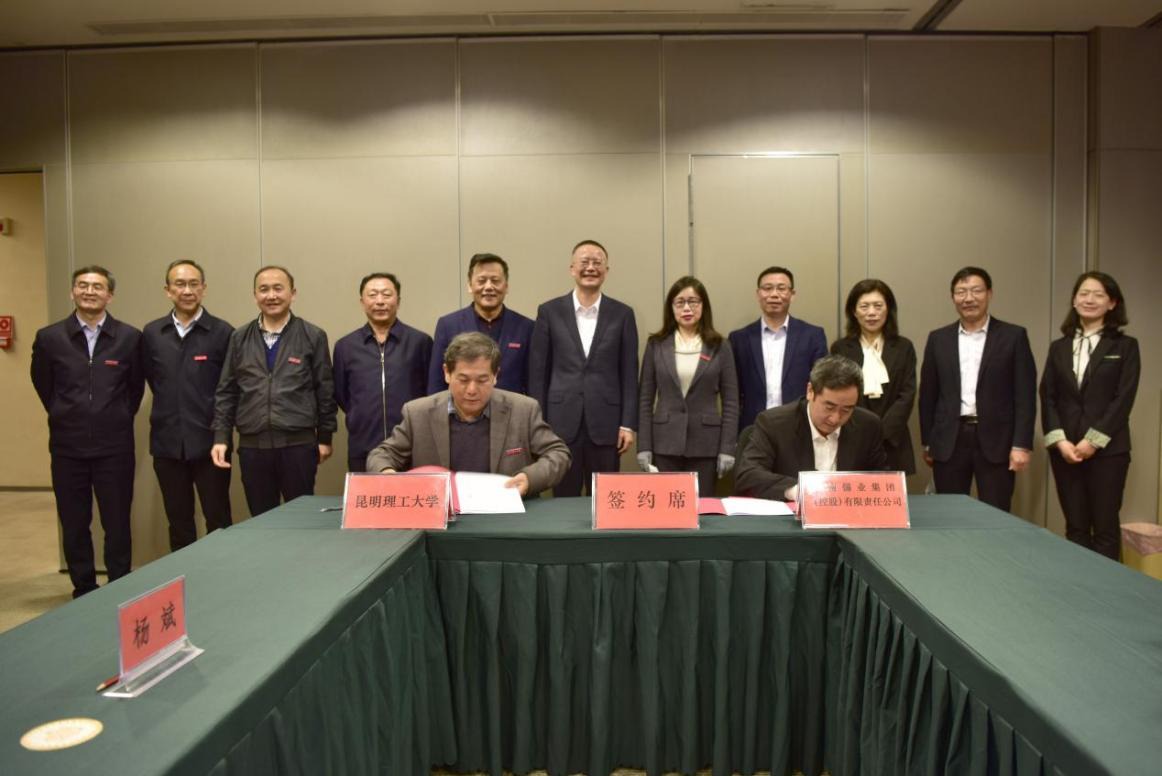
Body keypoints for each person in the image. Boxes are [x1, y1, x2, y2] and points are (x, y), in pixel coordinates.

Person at [30, 265, 144, 598]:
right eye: (83, 285)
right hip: (67, 447)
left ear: (110, 295)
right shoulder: (50, 338)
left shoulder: (129, 338)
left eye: (98, 286)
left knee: (117, 521)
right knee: (74, 521)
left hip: (115, 447)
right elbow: (43, 384)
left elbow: (135, 388)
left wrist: (116, 416)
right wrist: (63, 412)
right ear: (72, 292)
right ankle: (83, 587)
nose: (90, 291)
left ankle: (119, 583)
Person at [367, 332, 571, 496]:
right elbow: (380, 455)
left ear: (495, 376)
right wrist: (388, 475)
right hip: (442, 517)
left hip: (506, 516)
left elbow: (558, 454)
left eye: (482, 380)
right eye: (463, 380)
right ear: (447, 373)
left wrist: (529, 478)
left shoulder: (523, 409)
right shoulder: (418, 413)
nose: (472, 390)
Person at [211, 265, 336, 516]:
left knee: (301, 519)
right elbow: (227, 391)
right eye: (264, 289)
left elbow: (325, 389)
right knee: (261, 520)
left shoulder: (312, 335)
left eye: (278, 288)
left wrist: (325, 437)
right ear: (255, 295)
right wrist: (221, 437)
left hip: (298, 446)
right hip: (253, 447)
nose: (271, 295)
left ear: (293, 293)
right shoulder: (239, 338)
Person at [919, 266, 1037, 512]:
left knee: (996, 512)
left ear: (989, 294)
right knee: (950, 513)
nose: (969, 298)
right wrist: (928, 442)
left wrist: (1021, 445)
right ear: (953, 297)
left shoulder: (1013, 336)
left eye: (976, 290)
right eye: (961, 292)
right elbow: (928, 395)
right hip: (950, 440)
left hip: (997, 441)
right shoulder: (938, 339)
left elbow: (1025, 395)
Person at [1040, 271, 1139, 560]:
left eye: (1098, 294)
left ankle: (1106, 588)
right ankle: (1077, 585)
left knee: (1105, 527)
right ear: (1074, 300)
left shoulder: (1125, 346)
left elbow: (1123, 399)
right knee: (1076, 527)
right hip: (1065, 450)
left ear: (1112, 303)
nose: (1089, 300)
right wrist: (1060, 442)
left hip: (1108, 451)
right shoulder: (1059, 347)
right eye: (1083, 293)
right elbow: (1048, 396)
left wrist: (1092, 442)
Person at [528, 239, 638, 496]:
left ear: (606, 270)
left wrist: (628, 424)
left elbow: (629, 373)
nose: (590, 268)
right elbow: (538, 374)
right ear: (572, 269)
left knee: (608, 499)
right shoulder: (549, 311)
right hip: (560, 424)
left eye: (597, 263)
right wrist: (538, 425)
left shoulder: (622, 314)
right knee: (563, 500)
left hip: (607, 424)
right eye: (584, 262)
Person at [142, 259, 234, 551]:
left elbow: (229, 389)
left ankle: (222, 572)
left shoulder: (222, 332)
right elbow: (152, 380)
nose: (187, 290)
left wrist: (221, 436)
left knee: (218, 519)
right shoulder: (152, 333)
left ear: (203, 289)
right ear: (168, 290)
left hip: (211, 445)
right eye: (180, 284)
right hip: (167, 444)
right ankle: (186, 575)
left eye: (194, 284)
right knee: (179, 521)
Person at [636, 276, 740, 495]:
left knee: (701, 508)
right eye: (679, 302)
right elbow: (645, 399)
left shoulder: (720, 346)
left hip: (706, 445)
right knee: (666, 507)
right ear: (671, 307)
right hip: (664, 444)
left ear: (704, 306)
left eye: (693, 302)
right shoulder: (656, 345)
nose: (686, 308)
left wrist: (727, 448)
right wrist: (644, 446)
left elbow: (731, 402)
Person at [734, 355, 887, 500]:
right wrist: (797, 491)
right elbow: (748, 475)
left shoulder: (868, 426)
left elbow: (883, 482)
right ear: (810, 392)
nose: (835, 418)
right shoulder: (774, 424)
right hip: (790, 515)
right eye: (829, 407)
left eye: (846, 410)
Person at [333, 272, 432, 473]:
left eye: (386, 294)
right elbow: (342, 395)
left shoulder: (420, 342)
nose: (379, 301)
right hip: (363, 444)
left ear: (398, 301)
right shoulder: (345, 346)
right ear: (362, 302)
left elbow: (430, 393)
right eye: (372, 295)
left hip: (411, 446)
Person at [830, 279, 917, 474]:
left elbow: (907, 393)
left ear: (888, 309)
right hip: (853, 436)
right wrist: (862, 429)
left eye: (878, 306)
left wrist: (884, 431)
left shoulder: (904, 347)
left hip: (893, 438)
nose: (871, 313)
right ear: (854, 311)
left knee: (890, 491)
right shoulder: (841, 348)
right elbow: (840, 394)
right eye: (864, 306)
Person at [729, 266, 828, 431]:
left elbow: (821, 385)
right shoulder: (739, 339)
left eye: (781, 288)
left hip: (800, 426)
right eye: (767, 288)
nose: (774, 294)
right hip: (753, 428)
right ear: (758, 294)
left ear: (792, 294)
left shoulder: (812, 336)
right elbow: (733, 393)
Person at [427, 253, 534, 395]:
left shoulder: (526, 327)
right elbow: (436, 384)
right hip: (463, 407)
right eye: (481, 281)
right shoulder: (448, 325)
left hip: (510, 408)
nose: (488, 287)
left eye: (495, 280)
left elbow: (532, 381)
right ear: (470, 286)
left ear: (506, 286)